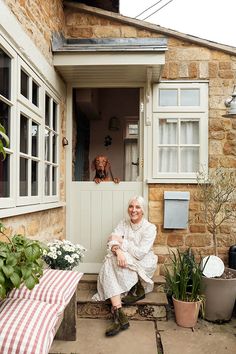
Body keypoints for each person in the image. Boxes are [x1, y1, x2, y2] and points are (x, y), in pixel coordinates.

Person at [92, 195, 158, 337]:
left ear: (143, 210)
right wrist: (118, 251)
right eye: (131, 206)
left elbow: (140, 253)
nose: (133, 210)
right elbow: (111, 241)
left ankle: (118, 313)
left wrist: (121, 242)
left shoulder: (150, 228)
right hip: (126, 259)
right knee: (111, 259)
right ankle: (118, 312)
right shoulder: (123, 223)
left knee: (111, 260)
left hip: (143, 262)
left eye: (137, 207)